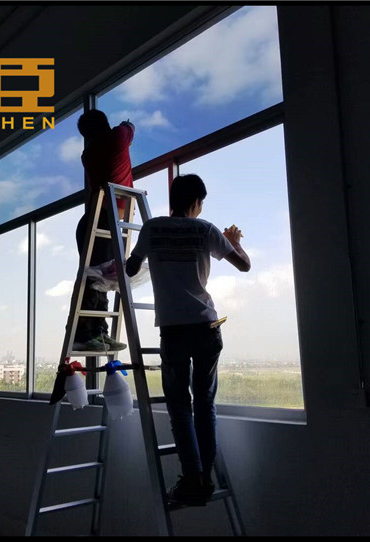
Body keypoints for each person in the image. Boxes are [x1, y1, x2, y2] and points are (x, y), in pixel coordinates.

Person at [125, 174, 251, 505]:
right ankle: (205, 479)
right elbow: (244, 266)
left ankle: (192, 478)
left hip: (174, 330)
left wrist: (146, 258)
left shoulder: (152, 229)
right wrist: (234, 241)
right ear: (196, 201)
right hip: (207, 325)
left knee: (180, 406)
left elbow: (131, 268)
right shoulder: (206, 229)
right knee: (204, 404)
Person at [72, 110, 135, 352]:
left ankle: (99, 332)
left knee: (103, 276)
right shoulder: (118, 137)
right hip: (104, 221)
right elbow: (130, 128)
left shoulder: (87, 154)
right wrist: (126, 123)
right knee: (97, 278)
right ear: (106, 124)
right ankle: (85, 334)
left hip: (94, 220)